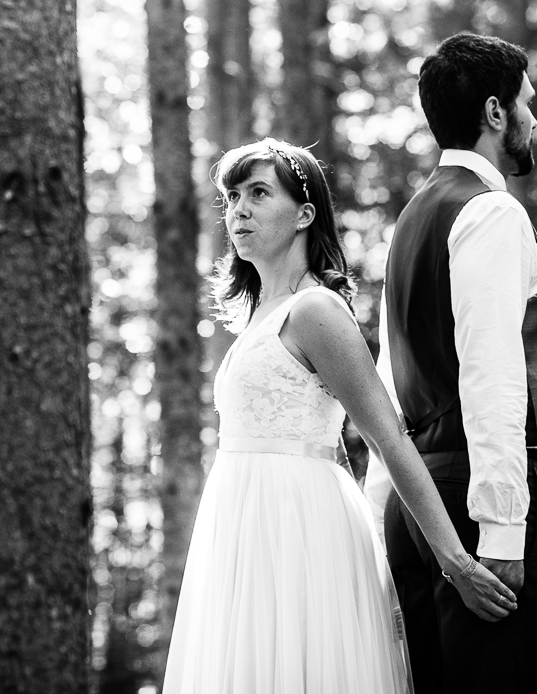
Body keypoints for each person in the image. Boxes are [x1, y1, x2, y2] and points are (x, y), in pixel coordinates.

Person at [162, 138, 517, 694]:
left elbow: (387, 438)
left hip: (298, 528)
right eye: (232, 197)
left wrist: (458, 562)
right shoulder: (259, 316)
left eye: (258, 193)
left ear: (305, 214)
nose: (239, 210)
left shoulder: (315, 311)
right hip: (241, 529)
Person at [379, 32, 537, 694]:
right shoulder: (488, 211)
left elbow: (388, 383)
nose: (534, 119)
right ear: (496, 112)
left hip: (420, 508)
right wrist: (502, 529)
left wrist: (398, 504)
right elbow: (492, 377)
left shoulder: (412, 219)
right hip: (477, 506)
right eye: (527, 102)